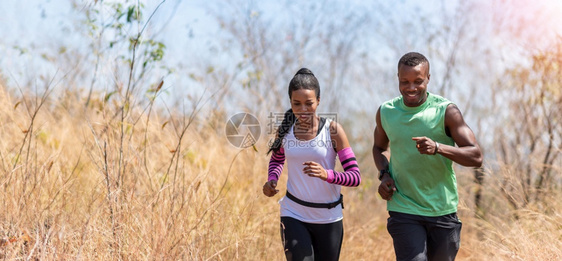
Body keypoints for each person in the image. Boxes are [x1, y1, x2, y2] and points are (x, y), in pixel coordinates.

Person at [372, 52, 483, 261]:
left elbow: (476, 156)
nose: (411, 88)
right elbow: (378, 148)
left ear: (428, 78)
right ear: (398, 78)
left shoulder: (446, 111)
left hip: (442, 208)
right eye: (404, 81)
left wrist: (439, 147)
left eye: (418, 81)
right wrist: (384, 174)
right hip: (404, 207)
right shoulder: (386, 112)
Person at [262, 68, 361, 261]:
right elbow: (277, 158)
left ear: (319, 101)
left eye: (309, 103)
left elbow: (355, 177)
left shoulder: (333, 130)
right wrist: (272, 179)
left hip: (329, 217)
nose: (303, 110)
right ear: (290, 102)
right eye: (296, 104)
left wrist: (327, 175)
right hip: (293, 213)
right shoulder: (285, 130)